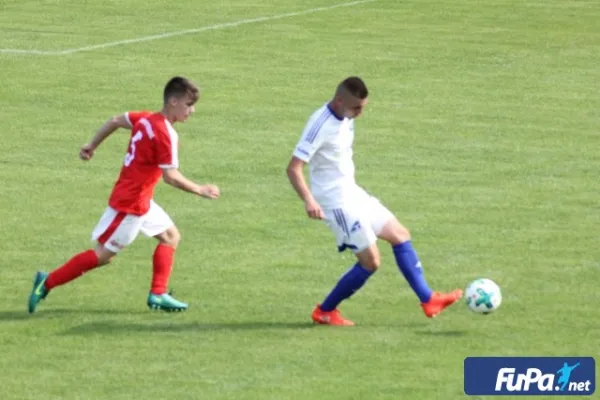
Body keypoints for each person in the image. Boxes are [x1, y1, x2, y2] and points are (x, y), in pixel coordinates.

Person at [28, 76, 220, 314]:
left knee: (170, 236)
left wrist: (92, 145)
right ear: (173, 102)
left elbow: (116, 120)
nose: (192, 111)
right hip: (132, 203)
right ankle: (46, 283)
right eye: (188, 105)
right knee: (103, 256)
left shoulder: (146, 119)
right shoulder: (166, 134)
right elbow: (170, 176)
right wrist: (199, 189)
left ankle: (158, 293)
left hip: (140, 198)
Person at [286, 76, 462, 326]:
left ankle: (428, 299)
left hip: (353, 192)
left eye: (363, 107)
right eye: (356, 108)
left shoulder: (346, 117)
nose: (360, 113)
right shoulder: (319, 125)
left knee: (400, 234)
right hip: (337, 203)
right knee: (371, 262)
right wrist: (309, 200)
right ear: (339, 101)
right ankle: (325, 311)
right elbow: (293, 168)